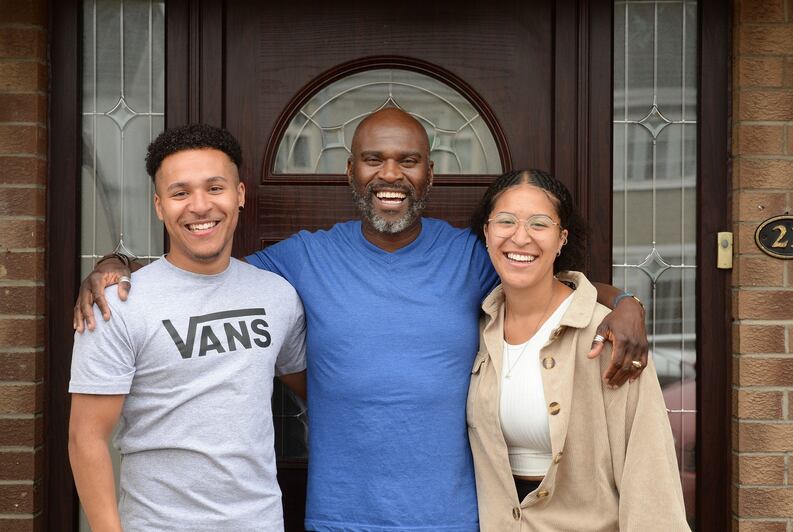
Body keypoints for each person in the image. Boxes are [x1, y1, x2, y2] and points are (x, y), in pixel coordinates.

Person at [74, 109, 649, 532]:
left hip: (452, 516)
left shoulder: (472, 256)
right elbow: (203, 265)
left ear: (430, 173)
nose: (390, 174)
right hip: (338, 516)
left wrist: (626, 302)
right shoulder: (299, 260)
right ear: (350, 171)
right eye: (374, 159)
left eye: (408, 160)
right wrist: (117, 267)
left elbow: (547, 279)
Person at [68, 124, 307, 532]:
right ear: (160, 206)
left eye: (215, 188)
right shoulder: (116, 305)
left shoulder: (279, 296)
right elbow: (86, 439)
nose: (200, 206)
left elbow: (317, 392)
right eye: (180, 193)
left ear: (240, 195)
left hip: (260, 522)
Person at [466, 169, 688, 531]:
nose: (520, 237)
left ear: (561, 238)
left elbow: (649, 472)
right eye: (505, 221)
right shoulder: (477, 327)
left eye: (539, 224)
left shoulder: (609, 337)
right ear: (487, 233)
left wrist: (626, 303)